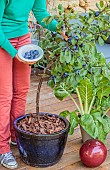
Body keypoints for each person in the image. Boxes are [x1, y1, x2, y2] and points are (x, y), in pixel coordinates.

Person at [0, 0, 64, 169]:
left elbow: (41, 14)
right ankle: (2, 148)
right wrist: (14, 53)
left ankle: (16, 135)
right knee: (4, 96)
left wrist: (61, 28)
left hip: (23, 37)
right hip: (3, 38)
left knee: (21, 90)